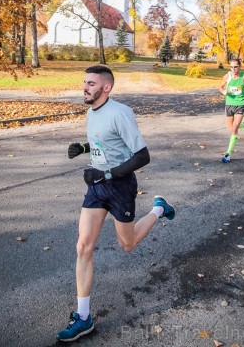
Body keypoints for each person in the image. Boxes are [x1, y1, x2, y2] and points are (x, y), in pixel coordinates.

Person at [57, 65, 175, 342]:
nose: (84, 87)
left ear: (106, 88)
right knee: (83, 246)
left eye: (90, 83)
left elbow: (141, 156)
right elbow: (103, 143)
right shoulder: (91, 111)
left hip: (120, 186)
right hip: (96, 187)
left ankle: (159, 209)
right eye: (84, 82)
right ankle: (83, 317)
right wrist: (83, 149)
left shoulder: (120, 113)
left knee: (127, 244)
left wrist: (107, 174)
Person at [218, 58, 244, 163]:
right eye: (231, 67)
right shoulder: (227, 77)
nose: (233, 69)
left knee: (235, 127)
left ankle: (228, 154)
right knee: (232, 129)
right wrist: (224, 92)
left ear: (240, 67)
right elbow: (220, 87)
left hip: (240, 104)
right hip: (229, 104)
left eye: (235, 67)